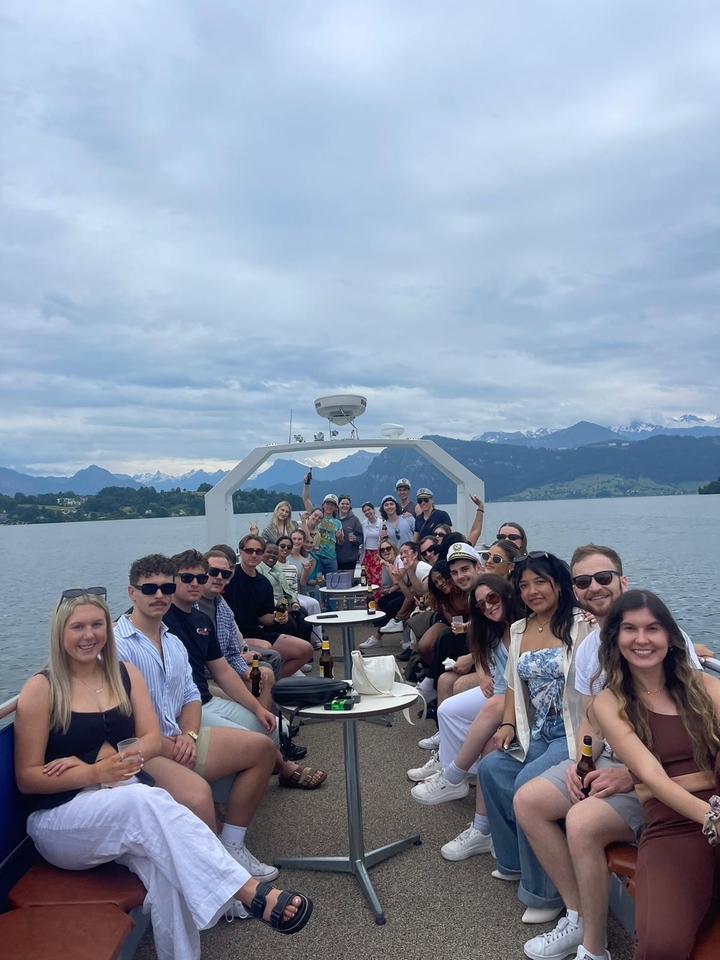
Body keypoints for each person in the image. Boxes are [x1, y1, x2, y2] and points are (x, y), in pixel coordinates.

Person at [14, 589, 314, 960]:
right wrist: (95, 771)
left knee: (165, 869)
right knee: (144, 797)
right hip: (61, 822)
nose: (88, 635)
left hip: (121, 810)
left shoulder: (123, 675)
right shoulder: (41, 689)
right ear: (60, 632)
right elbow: (28, 778)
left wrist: (112, 767)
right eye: (77, 627)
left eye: (96, 625)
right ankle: (247, 892)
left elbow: (152, 738)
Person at [517, 547, 706, 960]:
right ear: (576, 591)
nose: (595, 587)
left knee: (583, 822)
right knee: (528, 800)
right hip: (621, 766)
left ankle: (593, 947)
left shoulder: (677, 660)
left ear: (623, 580)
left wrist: (629, 776)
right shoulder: (593, 653)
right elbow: (591, 724)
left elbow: (689, 729)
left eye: (604, 577)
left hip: (657, 774)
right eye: (584, 582)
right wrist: (581, 761)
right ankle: (579, 916)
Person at [114, 555, 281, 882]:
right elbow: (118, 719)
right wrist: (166, 744)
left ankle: (231, 846)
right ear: (132, 593)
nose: (159, 595)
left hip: (178, 737)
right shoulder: (117, 646)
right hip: (142, 751)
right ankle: (222, 882)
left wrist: (189, 736)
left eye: (165, 587)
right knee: (196, 794)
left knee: (262, 748)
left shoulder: (172, 641)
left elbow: (191, 694)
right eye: (150, 588)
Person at [593, 591, 720, 960]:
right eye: (630, 629)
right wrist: (713, 817)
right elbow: (653, 778)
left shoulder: (703, 686)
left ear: (670, 636)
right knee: (660, 947)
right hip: (675, 828)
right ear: (616, 637)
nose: (642, 639)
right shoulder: (610, 702)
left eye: (653, 628)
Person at [478, 551, 593, 924]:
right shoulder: (518, 629)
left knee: (528, 782)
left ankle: (546, 892)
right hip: (536, 729)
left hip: (571, 732)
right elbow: (513, 685)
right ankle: (512, 861)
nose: (532, 591)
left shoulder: (581, 624)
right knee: (492, 768)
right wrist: (508, 725)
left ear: (558, 583)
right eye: (524, 585)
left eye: (540, 582)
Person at [410, 577, 525, 859]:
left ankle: (455, 778)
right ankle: (454, 774)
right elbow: (484, 654)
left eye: (493, 599)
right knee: (449, 710)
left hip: (518, 702)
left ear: (507, 594)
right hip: (501, 694)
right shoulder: (492, 628)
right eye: (481, 604)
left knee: (490, 744)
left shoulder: (526, 628)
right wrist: (484, 672)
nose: (487, 607)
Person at [224, 535, 314, 677]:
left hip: (254, 632)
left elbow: (262, 617)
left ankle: (273, 683)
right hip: (234, 635)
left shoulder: (264, 583)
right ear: (240, 552)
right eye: (249, 550)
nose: (254, 554)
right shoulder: (228, 577)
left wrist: (277, 619)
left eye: (259, 551)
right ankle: (270, 683)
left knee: (306, 650)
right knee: (266, 647)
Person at [198, 544, 283, 681]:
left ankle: (274, 697)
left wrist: (242, 655)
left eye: (225, 574)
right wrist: (241, 660)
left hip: (232, 655)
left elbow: (234, 638)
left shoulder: (221, 605)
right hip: (209, 670)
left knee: (272, 659)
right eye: (213, 572)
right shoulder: (193, 606)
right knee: (264, 670)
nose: (219, 577)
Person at [275, 535, 322, 648]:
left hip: (293, 596)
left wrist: (294, 602)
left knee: (313, 604)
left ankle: (315, 640)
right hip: (279, 598)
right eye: (282, 546)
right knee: (303, 608)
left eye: (288, 547)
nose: (285, 549)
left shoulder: (292, 567)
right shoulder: (272, 565)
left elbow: (297, 586)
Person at [301, 479, 344, 580]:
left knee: (332, 585)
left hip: (331, 558)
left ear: (336, 508)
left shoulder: (338, 523)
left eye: (332, 504)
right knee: (315, 582)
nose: (329, 506)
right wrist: (306, 484)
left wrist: (340, 538)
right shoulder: (317, 515)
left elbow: (341, 542)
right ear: (323, 504)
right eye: (328, 503)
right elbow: (305, 499)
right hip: (316, 555)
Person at [360, 501, 384, 594]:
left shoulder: (382, 523)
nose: (367, 512)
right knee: (367, 580)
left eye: (369, 509)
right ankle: (368, 601)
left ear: (373, 510)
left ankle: (378, 602)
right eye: (365, 511)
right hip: (367, 555)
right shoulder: (363, 524)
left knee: (377, 579)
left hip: (377, 554)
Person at [336, 495, 364, 572]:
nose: (345, 506)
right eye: (342, 504)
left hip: (350, 559)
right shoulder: (333, 519)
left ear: (350, 506)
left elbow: (361, 538)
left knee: (347, 583)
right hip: (334, 559)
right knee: (334, 583)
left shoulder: (355, 520)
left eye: (347, 504)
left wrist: (356, 539)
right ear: (338, 505)